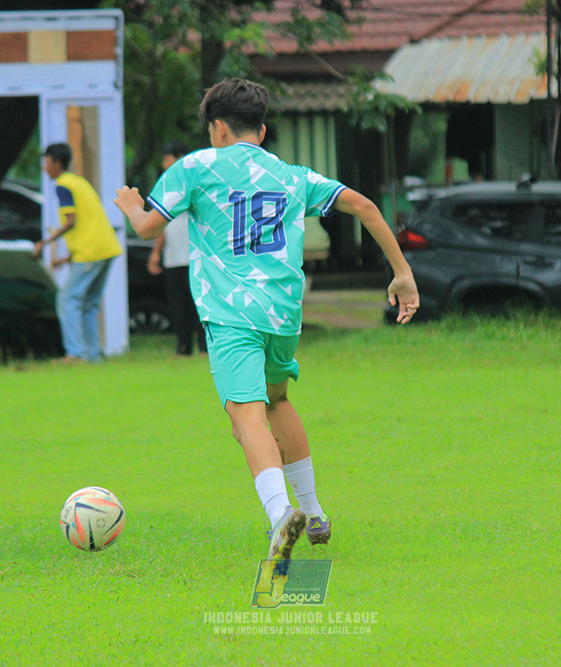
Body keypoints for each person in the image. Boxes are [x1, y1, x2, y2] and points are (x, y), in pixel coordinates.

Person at [113, 78, 419, 561]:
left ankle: (281, 517)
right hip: (283, 315)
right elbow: (362, 205)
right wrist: (402, 272)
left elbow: (149, 225)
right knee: (277, 402)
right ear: (262, 128)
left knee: (245, 416)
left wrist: (132, 204)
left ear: (216, 127)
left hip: (232, 311)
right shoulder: (293, 175)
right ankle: (314, 510)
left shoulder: (195, 166)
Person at [34, 143, 124, 363]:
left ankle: (75, 353)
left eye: (46, 162)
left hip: (91, 252)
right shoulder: (79, 182)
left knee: (67, 299)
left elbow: (71, 221)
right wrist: (66, 258)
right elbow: (88, 224)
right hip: (106, 248)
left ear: (56, 163)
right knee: (90, 303)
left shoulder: (63, 185)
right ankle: (94, 357)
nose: (45, 168)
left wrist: (44, 242)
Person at [146, 140, 207, 356]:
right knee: (177, 306)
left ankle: (204, 346)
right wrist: (156, 252)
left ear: (179, 157)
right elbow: (160, 222)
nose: (164, 163)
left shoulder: (193, 181)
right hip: (173, 257)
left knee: (197, 305)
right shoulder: (165, 184)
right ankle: (183, 347)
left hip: (193, 255)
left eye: (167, 158)